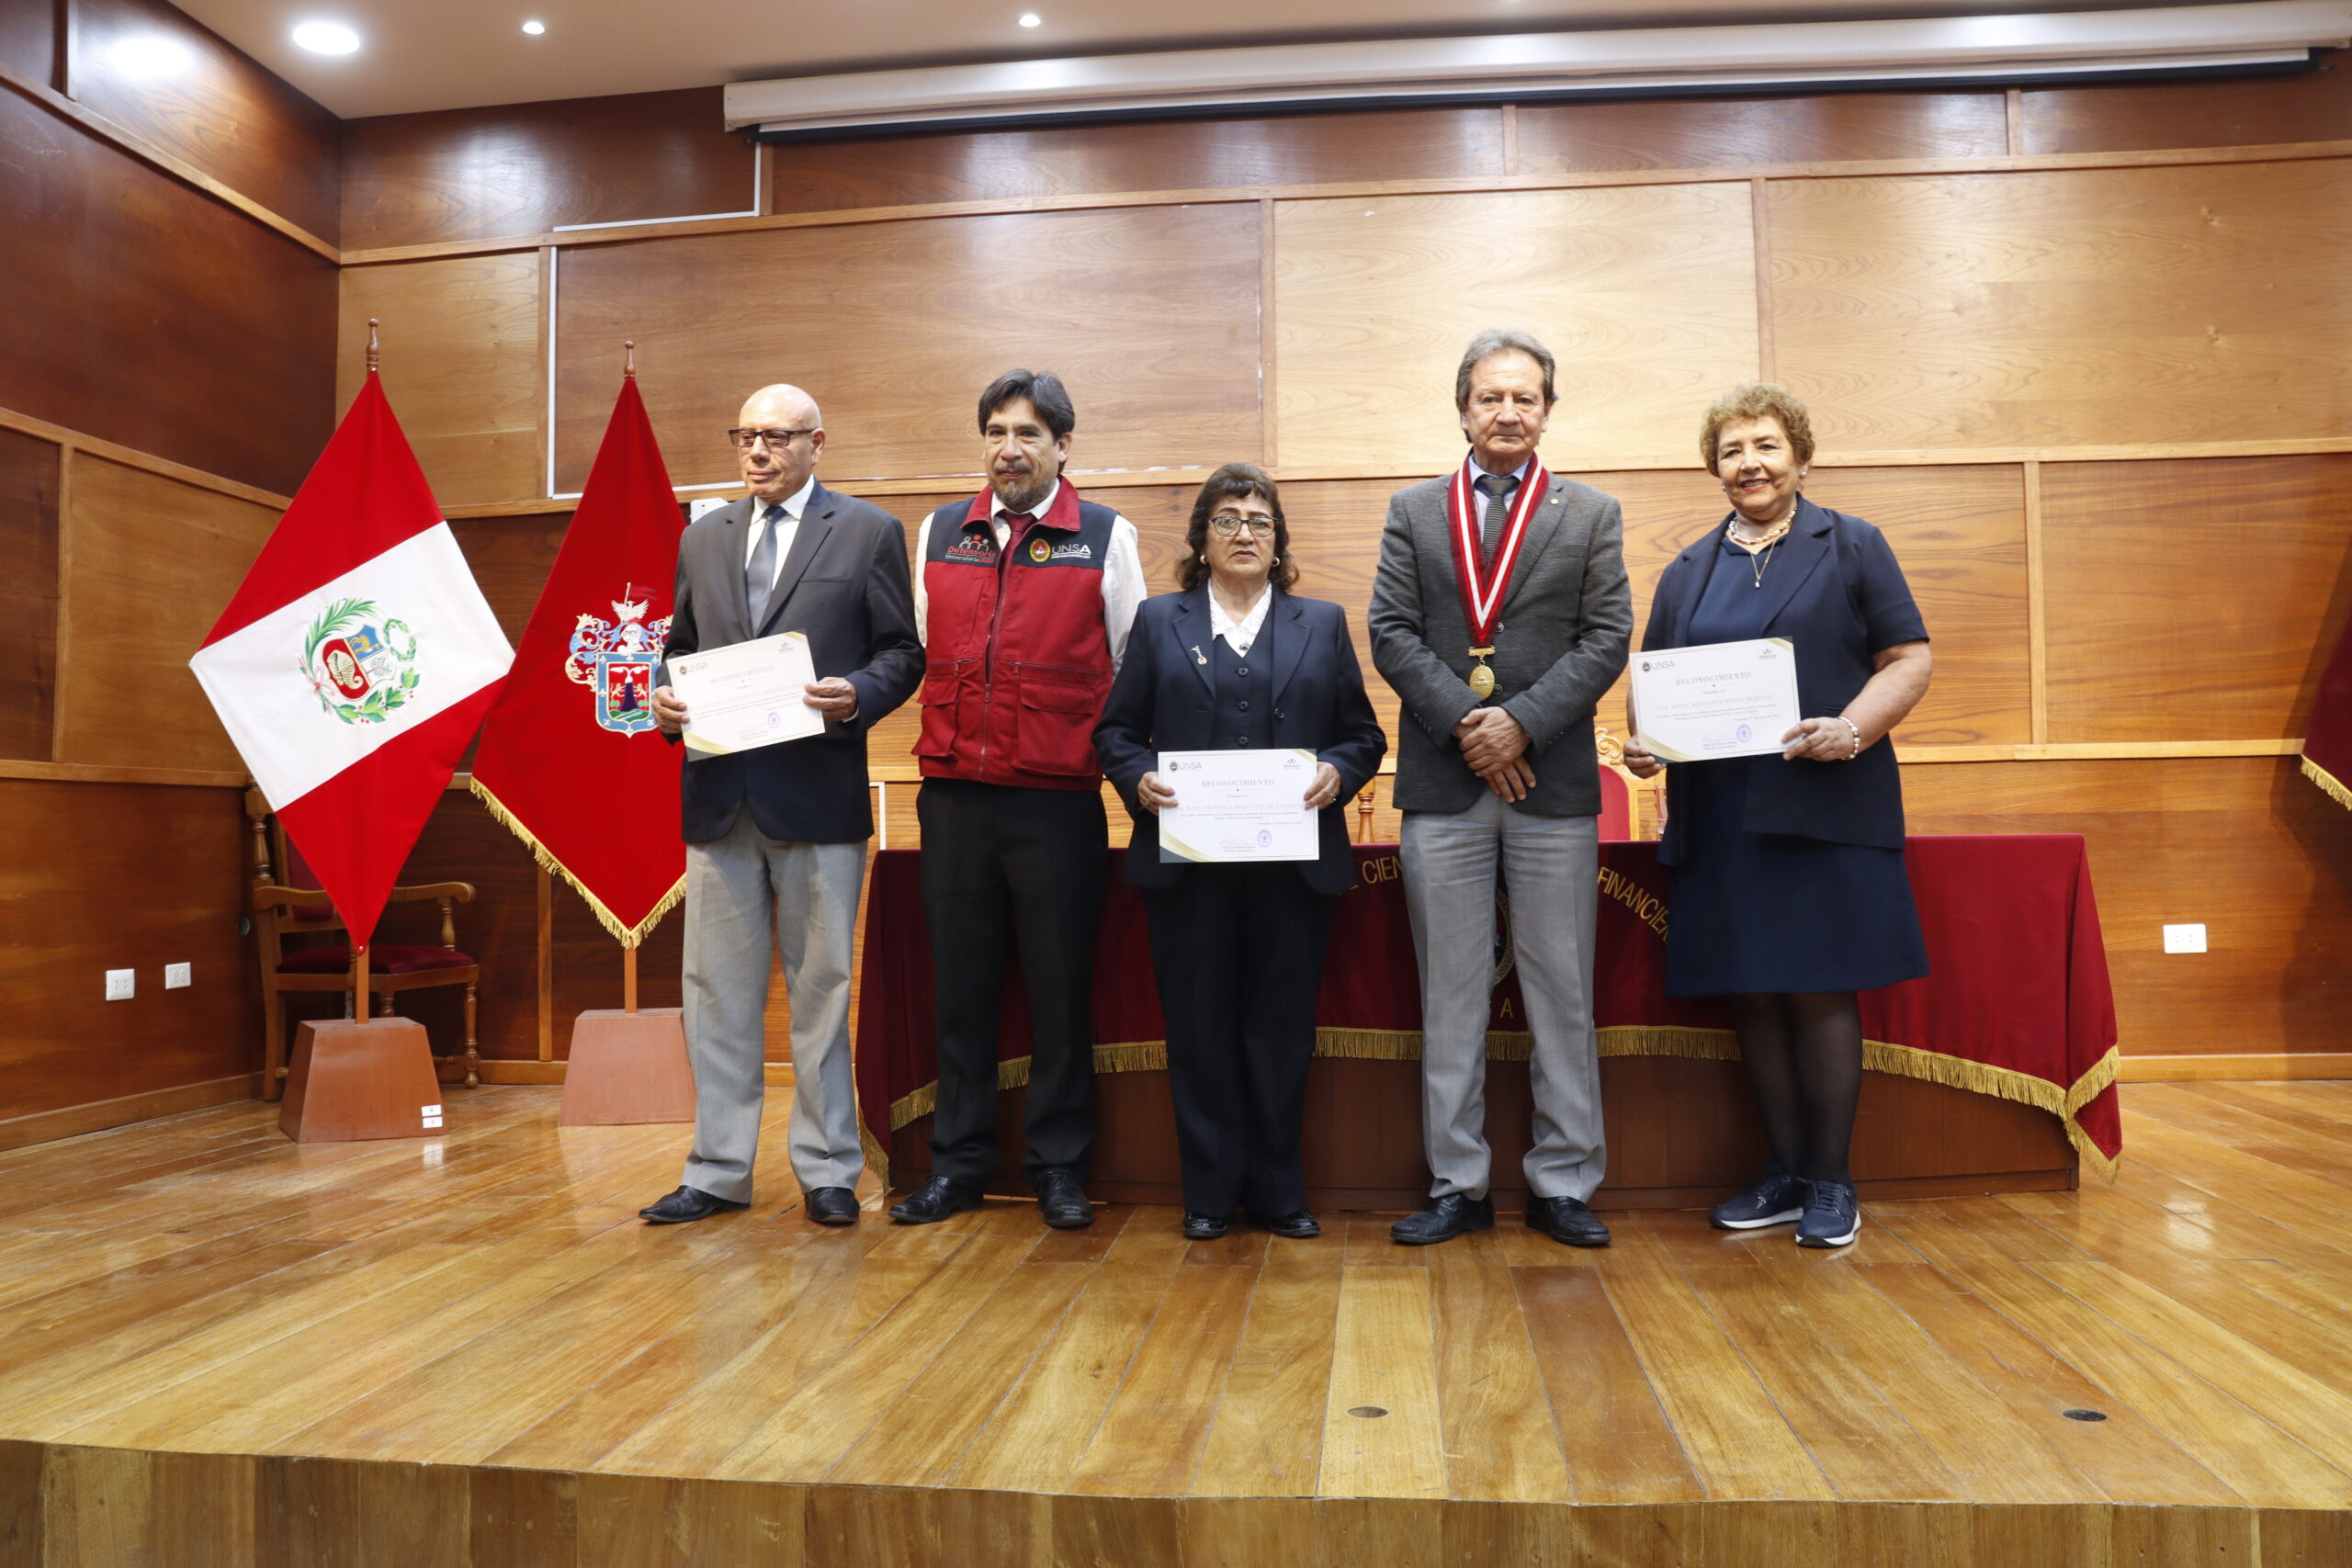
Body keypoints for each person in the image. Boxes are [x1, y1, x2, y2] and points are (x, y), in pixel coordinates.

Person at [1621, 382, 1933, 1250]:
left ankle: (1832, 1179)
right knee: (1753, 995)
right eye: (1732, 451)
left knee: (1820, 989)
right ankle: (1786, 1173)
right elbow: (1654, 687)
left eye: (1765, 446)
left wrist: (1852, 728)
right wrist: (1646, 745)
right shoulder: (1687, 569)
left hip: (1825, 802)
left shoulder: (1853, 543)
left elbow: (1909, 659)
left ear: (1799, 455)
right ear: (1714, 467)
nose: (1749, 464)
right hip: (1722, 817)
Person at [1367, 330, 1633, 1248]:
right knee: (1450, 993)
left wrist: (1520, 723)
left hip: (1550, 783)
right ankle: (1458, 1182)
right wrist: (1471, 729)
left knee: (1562, 990)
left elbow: (1607, 636)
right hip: (1444, 784)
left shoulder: (1590, 513)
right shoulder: (1413, 511)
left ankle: (1564, 1181)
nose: (1508, 412)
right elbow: (1391, 632)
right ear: (1463, 409)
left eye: (1525, 397)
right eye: (1491, 397)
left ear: (1547, 412)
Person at [639, 384, 922, 1227]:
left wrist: (858, 693)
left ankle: (829, 1168)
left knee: (823, 991)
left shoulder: (867, 531)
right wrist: (663, 697)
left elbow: (902, 652)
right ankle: (717, 1168)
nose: (757, 451)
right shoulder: (702, 537)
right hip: (719, 798)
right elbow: (679, 649)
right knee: (715, 994)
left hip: (817, 796)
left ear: (816, 443)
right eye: (746, 437)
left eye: (776, 437)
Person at [1094, 465, 1387, 1240]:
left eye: (1260, 520)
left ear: (1279, 539)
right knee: (1199, 1031)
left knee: (1281, 1031)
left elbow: (1363, 735)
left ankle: (1279, 1192)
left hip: (1292, 869)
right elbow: (1116, 733)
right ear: (1202, 539)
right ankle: (1209, 1193)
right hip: (1187, 867)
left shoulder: (1321, 621)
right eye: (1227, 519)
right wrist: (1138, 777)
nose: (1245, 533)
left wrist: (1339, 771)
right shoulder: (1158, 620)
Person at [888, 370, 1148, 1230]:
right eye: (997, 432)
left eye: (1029, 433)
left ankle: (1060, 1166)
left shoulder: (1105, 536)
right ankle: (957, 1165)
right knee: (960, 992)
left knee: (1059, 994)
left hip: (1056, 803)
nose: (1009, 449)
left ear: (1063, 446)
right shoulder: (939, 532)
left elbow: (1133, 665)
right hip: (954, 800)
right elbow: (920, 646)